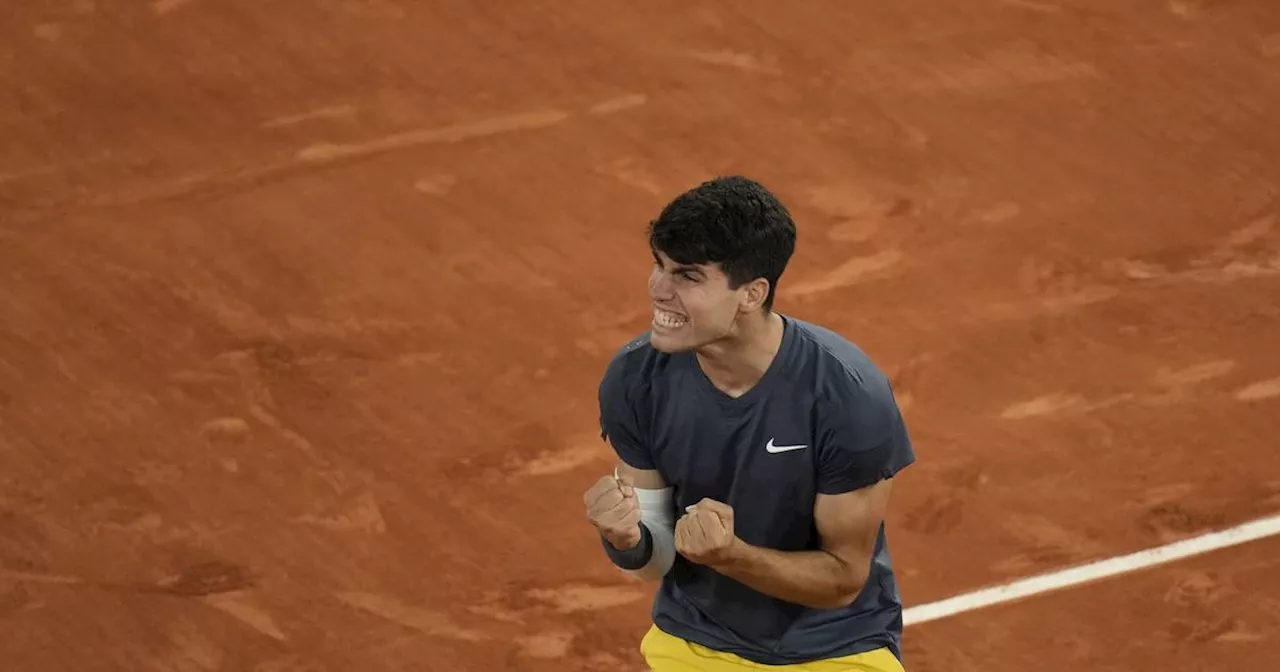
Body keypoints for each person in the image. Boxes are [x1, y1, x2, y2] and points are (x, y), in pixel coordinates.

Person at [582, 175, 916, 671]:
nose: (659, 289)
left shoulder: (846, 397)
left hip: (834, 650)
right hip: (695, 644)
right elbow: (657, 560)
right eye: (660, 265)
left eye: (688, 276)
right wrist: (627, 540)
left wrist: (732, 556)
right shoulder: (636, 379)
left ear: (751, 293)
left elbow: (844, 578)